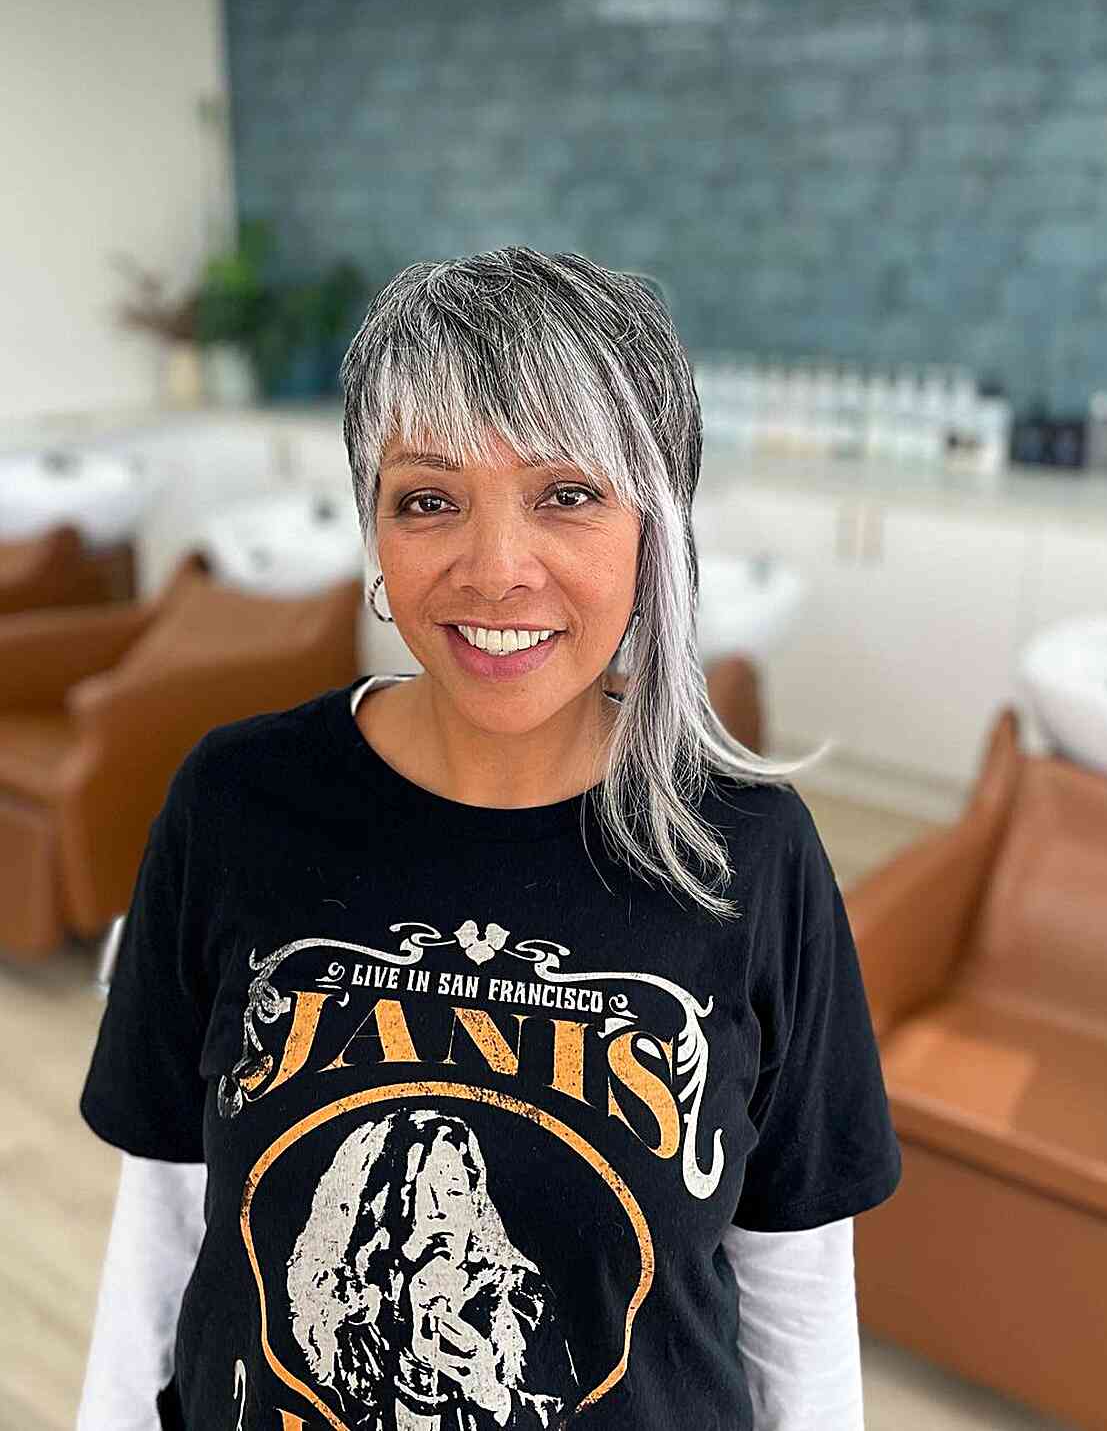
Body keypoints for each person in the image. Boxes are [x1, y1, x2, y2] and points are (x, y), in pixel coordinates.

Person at [77, 245, 901, 1430]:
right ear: (376, 529)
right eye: (430, 499)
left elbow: (796, 1290)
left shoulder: (746, 852)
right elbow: (163, 1222)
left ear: (655, 525)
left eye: (566, 495)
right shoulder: (237, 804)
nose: (496, 571)